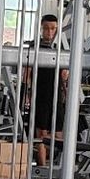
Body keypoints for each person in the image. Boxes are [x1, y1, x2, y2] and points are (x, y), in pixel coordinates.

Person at [27, 12, 66, 165]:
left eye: (53, 28)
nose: (49, 32)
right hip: (40, 95)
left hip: (56, 95)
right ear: (41, 29)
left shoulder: (61, 48)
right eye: (46, 28)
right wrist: (27, 92)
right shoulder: (34, 47)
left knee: (58, 133)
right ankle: (42, 168)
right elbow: (27, 72)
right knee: (41, 134)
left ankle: (58, 166)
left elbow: (64, 74)